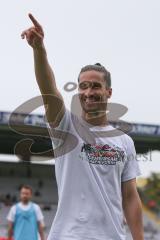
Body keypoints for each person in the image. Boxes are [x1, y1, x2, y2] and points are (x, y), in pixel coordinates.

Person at [21, 13, 144, 240]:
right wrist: (39, 50)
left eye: (95, 86)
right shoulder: (66, 126)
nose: (88, 93)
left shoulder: (125, 142)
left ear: (109, 92)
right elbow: (49, 89)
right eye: (83, 86)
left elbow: (130, 196)